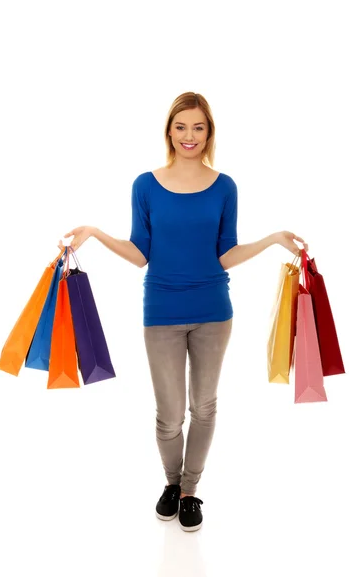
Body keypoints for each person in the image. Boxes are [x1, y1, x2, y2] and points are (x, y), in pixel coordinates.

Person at [58, 91, 308, 532]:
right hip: (162, 312)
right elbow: (140, 254)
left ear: (209, 132)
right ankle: (171, 484)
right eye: (181, 126)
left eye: (198, 127)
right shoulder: (145, 185)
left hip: (214, 311)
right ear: (169, 131)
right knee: (169, 414)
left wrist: (271, 240)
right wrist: (94, 233)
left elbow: (225, 253)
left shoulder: (225, 185)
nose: (189, 136)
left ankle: (190, 491)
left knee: (205, 407)